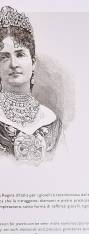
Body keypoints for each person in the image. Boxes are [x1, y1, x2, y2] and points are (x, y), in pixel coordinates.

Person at [0, 5, 62, 164]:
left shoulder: (51, 120)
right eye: (4, 57)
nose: (13, 64)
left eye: (20, 54)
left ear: (33, 63)